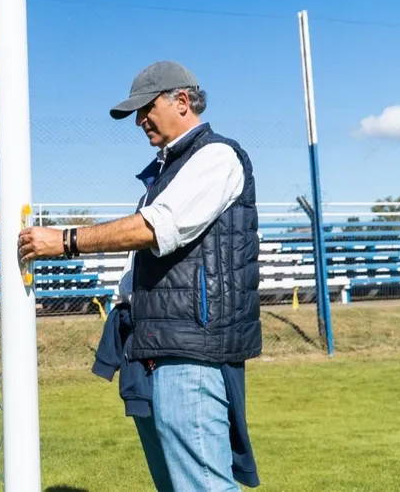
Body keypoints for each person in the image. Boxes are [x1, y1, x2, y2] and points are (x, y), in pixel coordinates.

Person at [18, 61, 261, 491]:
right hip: (156, 349)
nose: (138, 120)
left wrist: (66, 240)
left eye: (145, 108)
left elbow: (154, 227)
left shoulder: (216, 156)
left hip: (192, 355)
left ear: (181, 101)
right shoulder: (167, 171)